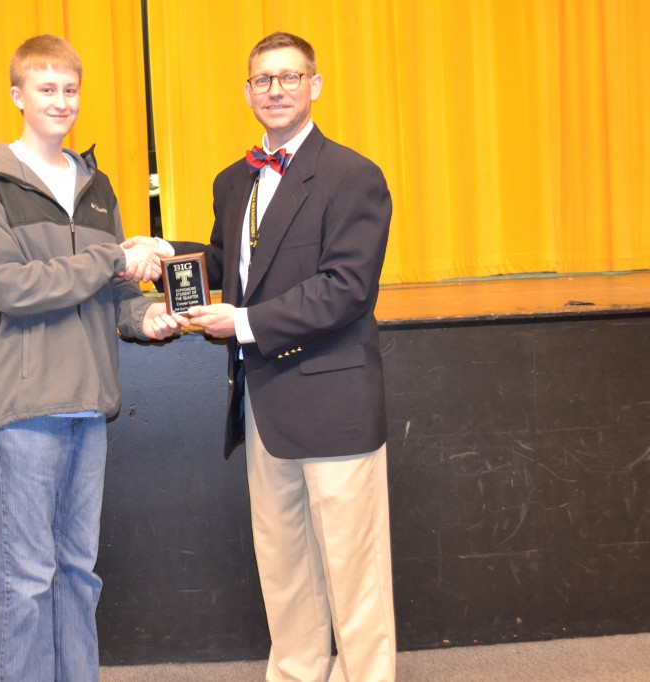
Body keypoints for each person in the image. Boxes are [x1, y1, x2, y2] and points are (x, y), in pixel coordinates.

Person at [130, 31, 396, 681]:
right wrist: (164, 252)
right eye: (262, 80)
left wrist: (243, 323)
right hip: (262, 403)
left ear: (315, 85)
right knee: (284, 568)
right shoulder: (234, 181)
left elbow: (346, 288)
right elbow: (227, 263)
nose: (275, 90)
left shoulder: (354, 176)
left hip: (333, 405)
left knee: (354, 572)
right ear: (248, 92)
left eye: (289, 77)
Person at [0, 35, 185, 682]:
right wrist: (114, 258)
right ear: (17, 95)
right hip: (25, 403)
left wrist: (146, 317)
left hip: (90, 402)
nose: (61, 101)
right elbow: (11, 288)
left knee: (78, 572)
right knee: (26, 577)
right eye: (46, 88)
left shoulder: (96, 185)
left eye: (70, 89)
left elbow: (113, 294)